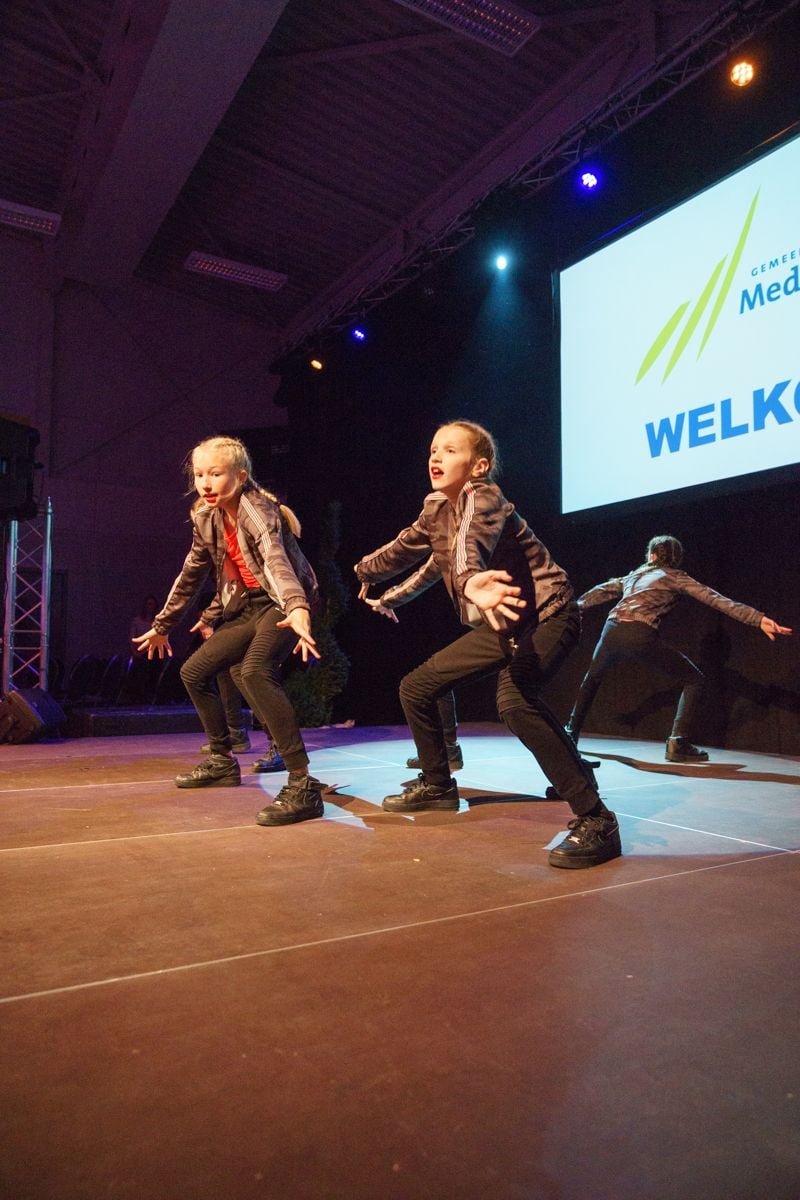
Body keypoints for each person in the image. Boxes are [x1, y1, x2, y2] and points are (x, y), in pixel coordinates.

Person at [355, 419, 621, 870]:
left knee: (515, 701)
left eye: (450, 450)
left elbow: (467, 548)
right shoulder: (437, 509)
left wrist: (470, 580)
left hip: (549, 613)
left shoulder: (485, 497)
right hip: (505, 624)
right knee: (417, 687)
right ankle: (438, 785)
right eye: (433, 450)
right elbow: (412, 554)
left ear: (479, 466)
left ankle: (597, 819)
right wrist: (367, 575)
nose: (436, 457)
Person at [133, 434, 324, 826]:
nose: (205, 483)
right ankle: (222, 760)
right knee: (194, 671)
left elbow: (274, 560)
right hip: (250, 605)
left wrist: (297, 606)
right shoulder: (206, 517)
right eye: (200, 474)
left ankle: (302, 783)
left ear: (240, 476)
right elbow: (192, 573)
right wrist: (162, 625)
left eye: (215, 474)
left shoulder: (259, 511)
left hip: (283, 601)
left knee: (254, 671)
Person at [565, 534, 792, 763]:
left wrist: (577, 606)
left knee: (592, 678)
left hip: (611, 630)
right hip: (638, 632)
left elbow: (603, 590)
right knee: (694, 679)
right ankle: (677, 742)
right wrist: (757, 619)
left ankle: (569, 734)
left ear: (653, 556)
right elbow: (715, 599)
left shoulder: (635, 575)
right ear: (675, 559)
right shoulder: (675, 577)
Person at [361, 554, 464, 772]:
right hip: (446, 603)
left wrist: (367, 572)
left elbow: (410, 554)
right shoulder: (445, 542)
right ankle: (445, 749)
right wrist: (387, 597)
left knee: (435, 676)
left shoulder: (454, 539)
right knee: (436, 675)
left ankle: (446, 750)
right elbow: (425, 568)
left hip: (456, 606)